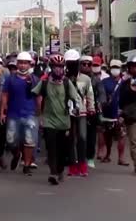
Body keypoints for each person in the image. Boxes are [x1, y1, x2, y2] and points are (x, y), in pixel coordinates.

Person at [33, 54, 81, 185]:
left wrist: (77, 107)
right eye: (55, 67)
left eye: (60, 67)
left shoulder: (66, 82)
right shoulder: (44, 82)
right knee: (51, 147)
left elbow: (75, 97)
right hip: (49, 120)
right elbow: (33, 93)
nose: (58, 70)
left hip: (64, 122)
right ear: (51, 68)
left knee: (62, 149)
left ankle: (59, 170)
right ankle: (53, 173)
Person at [0, 52, 39, 176]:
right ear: (17, 64)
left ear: (30, 64)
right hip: (13, 114)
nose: (23, 66)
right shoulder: (10, 79)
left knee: (29, 141)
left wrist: (40, 114)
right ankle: (17, 154)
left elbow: (39, 97)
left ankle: (27, 165)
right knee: (10, 140)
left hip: (30, 114)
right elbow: (5, 96)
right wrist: (2, 112)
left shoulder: (34, 79)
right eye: (20, 63)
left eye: (25, 63)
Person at [65, 50, 94, 177]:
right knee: (70, 139)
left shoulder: (86, 79)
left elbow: (90, 94)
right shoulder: (63, 79)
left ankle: (82, 164)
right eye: (69, 63)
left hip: (81, 112)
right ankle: (72, 165)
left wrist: (91, 107)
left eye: (73, 63)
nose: (71, 65)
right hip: (67, 112)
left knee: (82, 138)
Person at [99, 59, 129, 166]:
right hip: (107, 114)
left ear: (121, 69)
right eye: (113, 67)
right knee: (107, 136)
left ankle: (121, 158)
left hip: (120, 113)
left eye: (117, 67)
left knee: (122, 135)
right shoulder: (104, 82)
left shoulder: (125, 83)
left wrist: (124, 111)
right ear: (109, 68)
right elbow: (101, 96)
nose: (115, 69)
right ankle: (107, 154)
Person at [81, 55, 106, 170]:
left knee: (91, 136)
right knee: (78, 136)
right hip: (77, 110)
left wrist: (100, 104)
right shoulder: (74, 78)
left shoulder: (96, 80)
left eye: (89, 64)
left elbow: (102, 94)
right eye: (84, 64)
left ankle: (90, 157)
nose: (86, 66)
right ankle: (77, 157)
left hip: (91, 111)